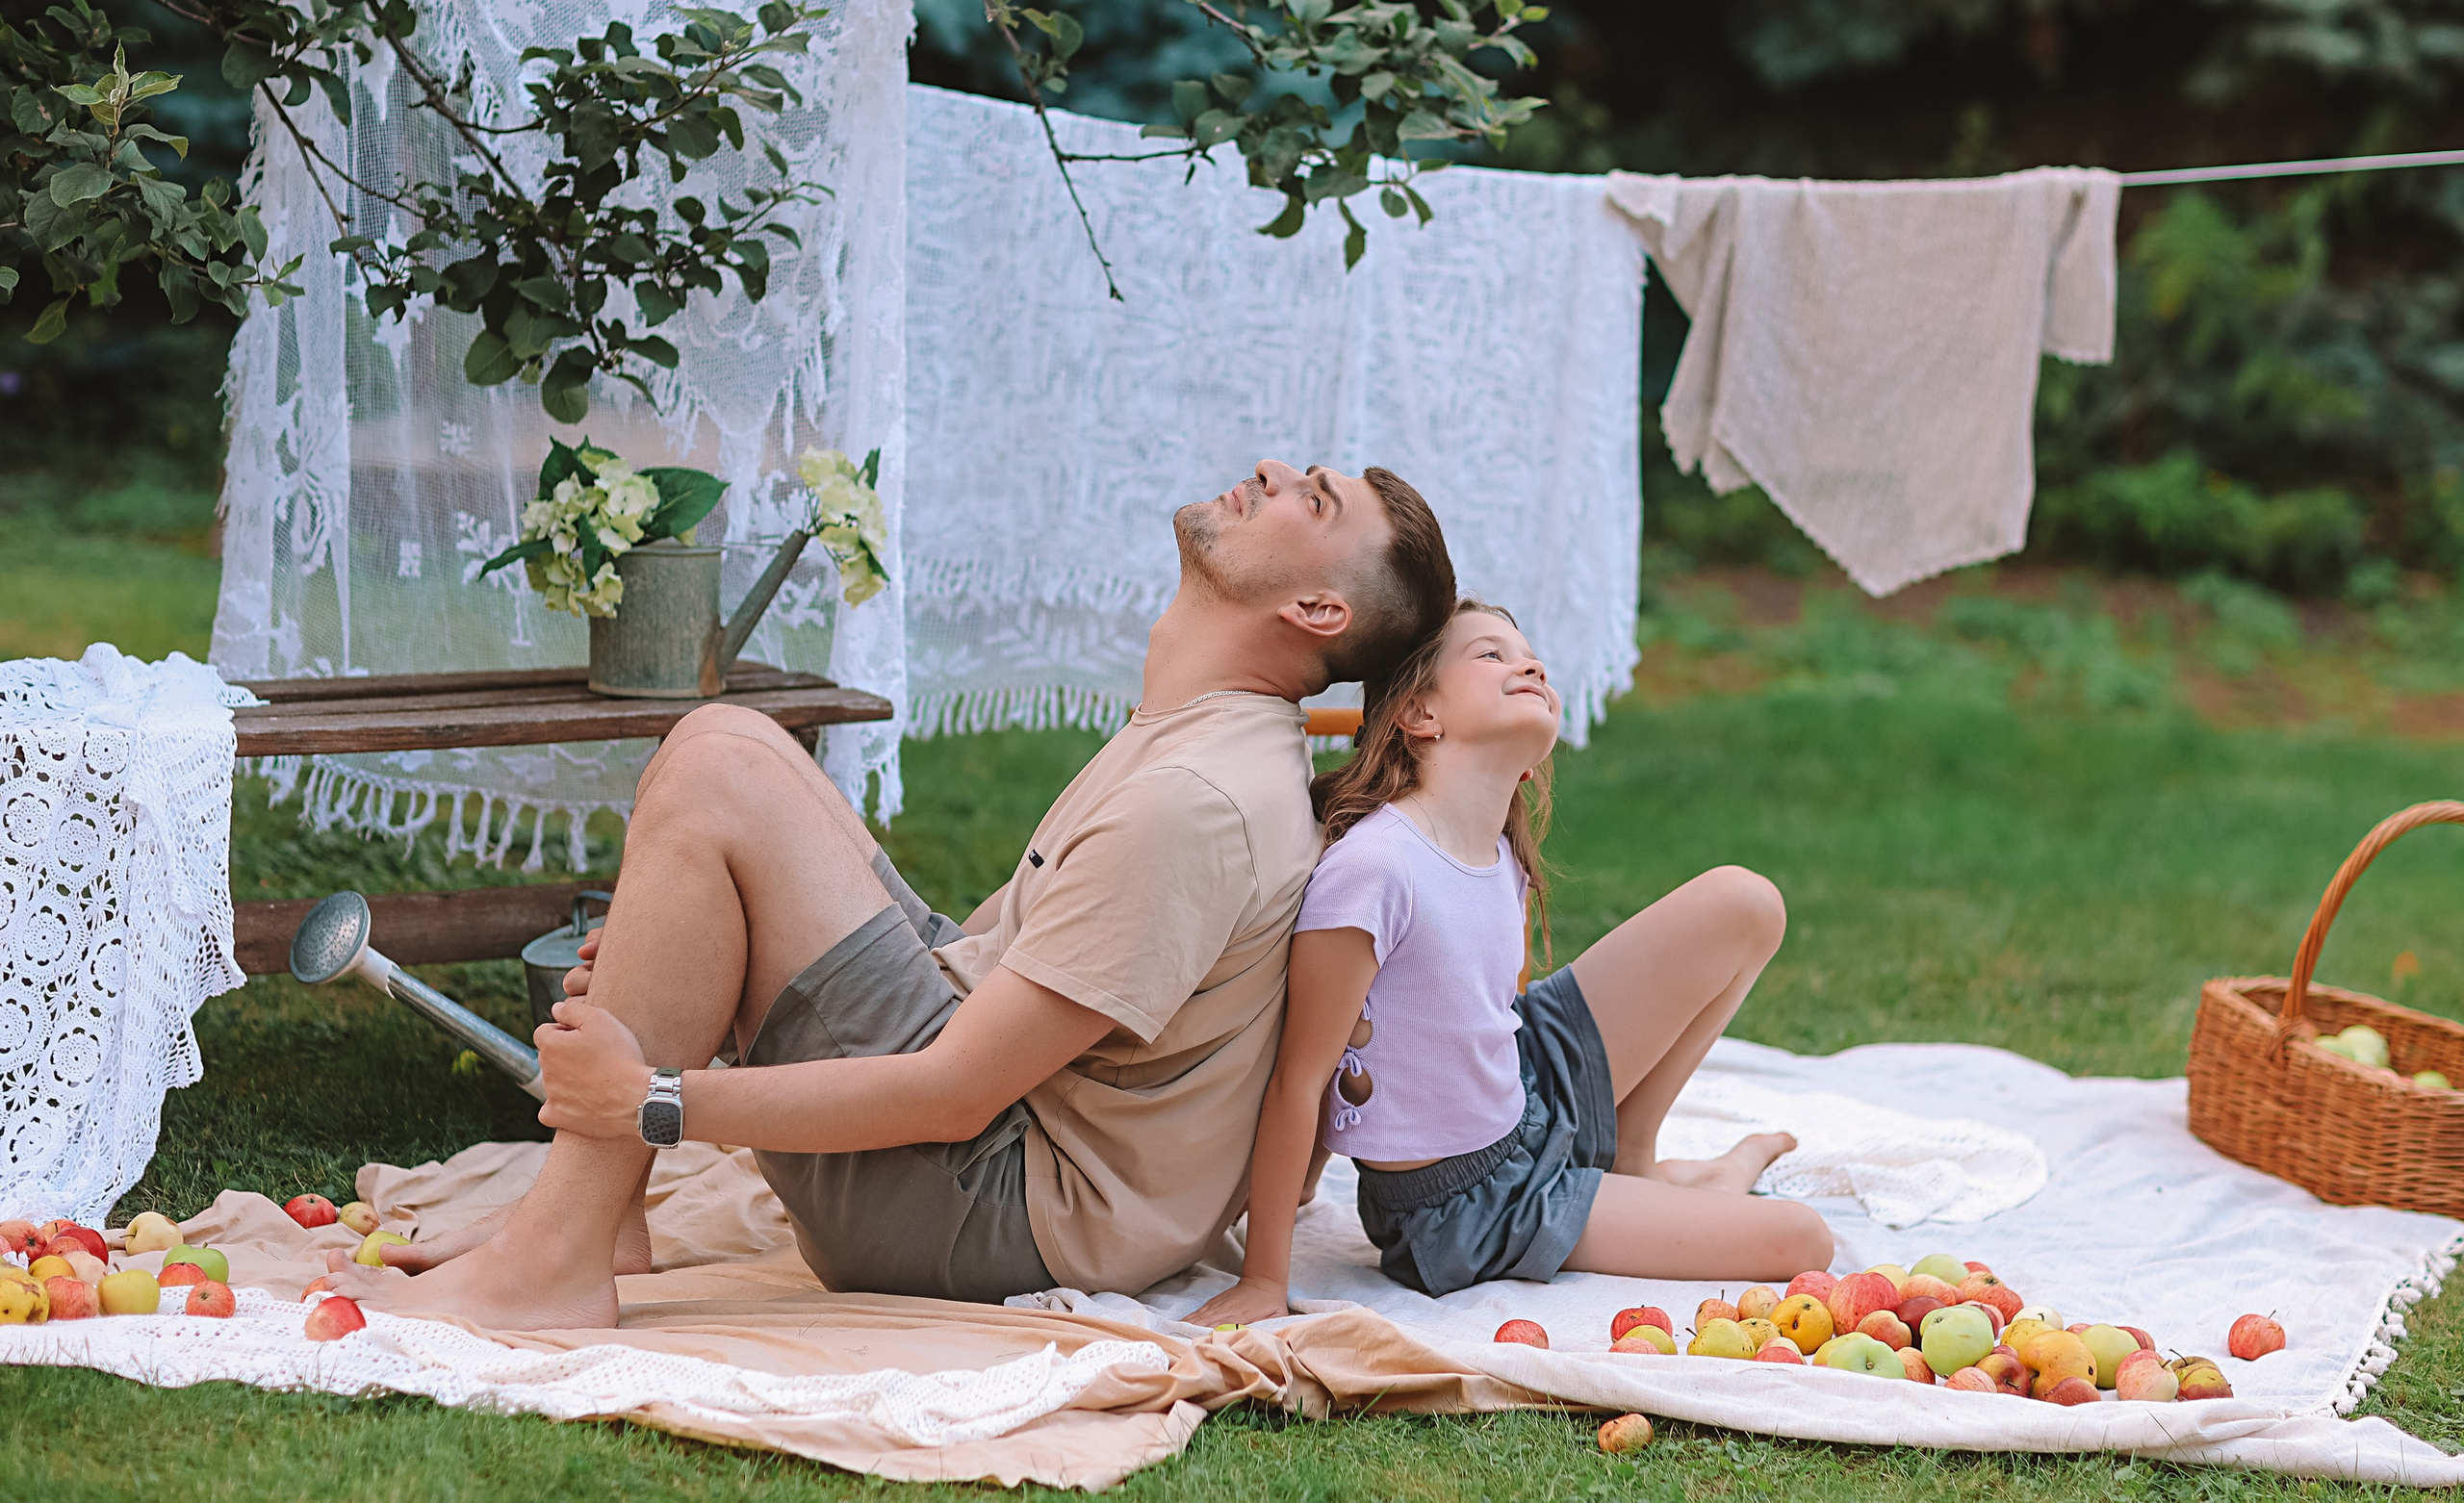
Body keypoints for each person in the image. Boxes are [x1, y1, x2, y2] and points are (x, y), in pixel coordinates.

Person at [329, 460, 1456, 1326]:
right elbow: (981, 964)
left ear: (1318, 613)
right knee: (737, 747)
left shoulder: (1198, 800)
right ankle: (594, 1218)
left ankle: (552, 1265)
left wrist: (655, 1093)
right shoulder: (1204, 741)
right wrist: (685, 958)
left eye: (1311, 497)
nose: (1269, 474)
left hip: (995, 1206)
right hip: (1003, 1151)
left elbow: (957, 1094)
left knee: (723, 761)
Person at [1189, 600, 1831, 1325]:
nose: (1528, 664)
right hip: (1471, 1202)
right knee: (1802, 1238)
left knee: (1745, 904)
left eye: (1530, 656)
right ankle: (1674, 1189)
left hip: (1528, 1075)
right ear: (1420, 714)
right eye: (1491, 654)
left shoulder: (1500, 853)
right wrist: (1264, 1279)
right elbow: (1303, 1074)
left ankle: (1635, 1161)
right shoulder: (1375, 870)